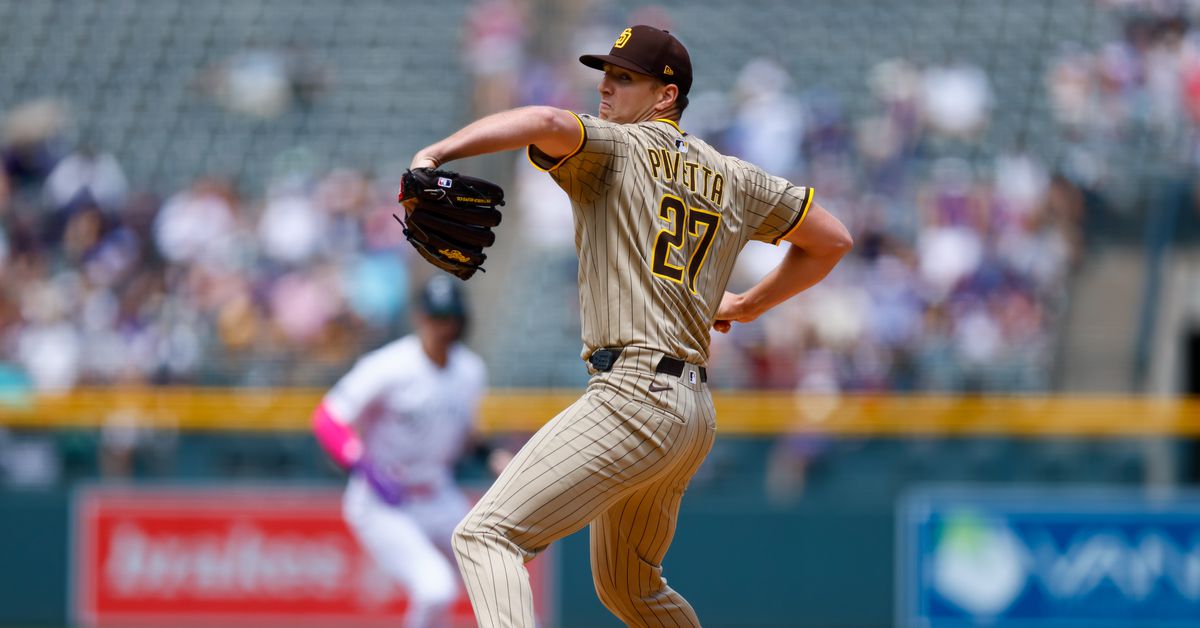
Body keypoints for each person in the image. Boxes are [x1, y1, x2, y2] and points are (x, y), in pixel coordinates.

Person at [405, 25, 853, 626]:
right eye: (605, 75)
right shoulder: (736, 177)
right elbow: (831, 239)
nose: (605, 88)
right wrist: (746, 306)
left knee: (487, 537)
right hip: (691, 414)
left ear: (666, 95)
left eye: (624, 78)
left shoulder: (615, 148)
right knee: (630, 589)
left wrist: (434, 155)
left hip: (632, 397)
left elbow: (543, 118)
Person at [311, 274, 488, 628]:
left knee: (498, 576)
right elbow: (327, 418)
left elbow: (467, 440)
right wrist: (362, 464)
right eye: (436, 316)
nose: (443, 326)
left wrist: (493, 455)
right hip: (385, 502)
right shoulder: (389, 366)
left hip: (439, 495)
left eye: (450, 316)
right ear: (420, 317)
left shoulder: (471, 371)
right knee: (435, 589)